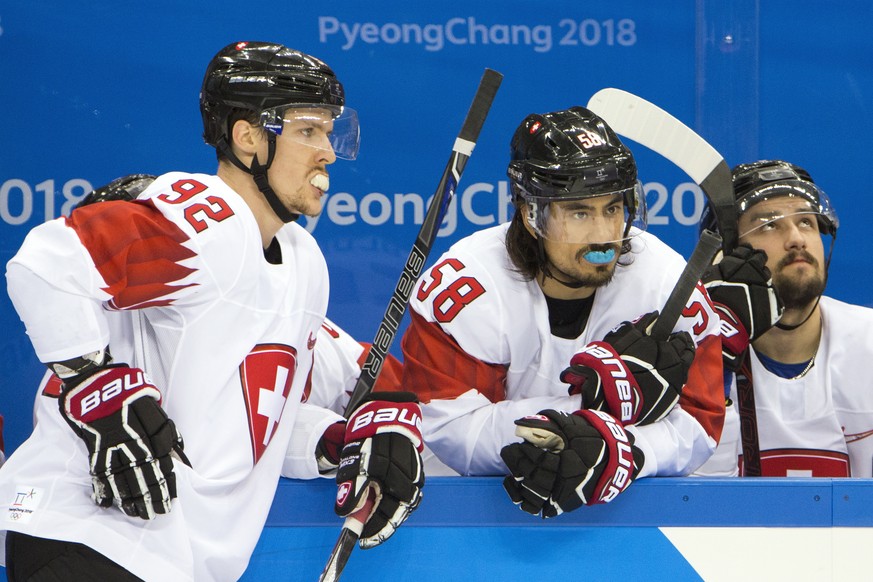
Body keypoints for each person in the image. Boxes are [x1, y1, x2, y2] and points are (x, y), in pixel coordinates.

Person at [0, 41, 424, 581]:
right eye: (308, 131)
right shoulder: (208, 218)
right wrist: (94, 386)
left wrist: (343, 438)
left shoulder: (303, 261)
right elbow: (48, 263)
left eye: (331, 131)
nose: (329, 152)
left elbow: (255, 420)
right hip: (90, 535)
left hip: (168, 560)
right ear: (249, 138)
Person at [398, 105, 725, 516]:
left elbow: (701, 421)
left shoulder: (665, 283)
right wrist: (589, 416)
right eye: (579, 212)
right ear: (531, 214)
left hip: (619, 513)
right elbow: (449, 428)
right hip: (478, 517)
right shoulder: (469, 286)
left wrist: (623, 452)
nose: (605, 233)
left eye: (613, 208)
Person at [694, 160, 873, 477]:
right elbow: (692, 509)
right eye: (769, 224)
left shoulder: (867, 342)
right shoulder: (691, 351)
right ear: (726, 253)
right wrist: (713, 367)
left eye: (806, 222)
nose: (796, 238)